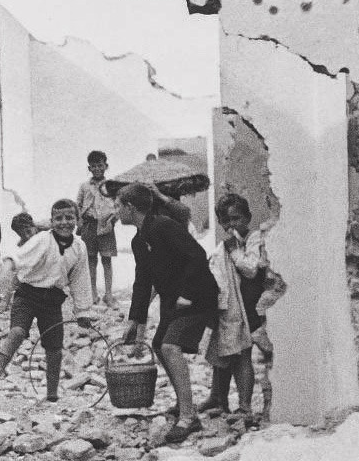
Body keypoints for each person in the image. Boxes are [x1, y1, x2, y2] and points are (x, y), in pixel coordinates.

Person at [116, 183, 219, 444]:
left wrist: (187, 294)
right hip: (173, 302)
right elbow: (142, 281)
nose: (116, 211)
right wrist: (134, 320)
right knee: (159, 346)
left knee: (170, 346)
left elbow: (197, 255)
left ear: (130, 207)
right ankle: (181, 403)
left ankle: (188, 417)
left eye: (118, 205)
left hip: (196, 298)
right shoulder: (139, 240)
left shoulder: (164, 225)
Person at [0, 200, 95, 401]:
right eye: (58, 218)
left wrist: (83, 311)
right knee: (17, 332)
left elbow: (80, 279)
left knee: (54, 347)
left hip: (53, 301)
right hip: (27, 295)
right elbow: (19, 257)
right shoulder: (43, 239)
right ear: (51, 221)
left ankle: (52, 393)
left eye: (69, 218)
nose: (64, 223)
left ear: (77, 220)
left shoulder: (79, 247)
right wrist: (6, 267)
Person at [200, 194, 272, 421]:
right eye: (226, 221)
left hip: (249, 308)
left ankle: (244, 406)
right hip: (230, 308)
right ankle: (219, 401)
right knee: (223, 351)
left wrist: (234, 251)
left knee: (242, 354)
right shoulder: (225, 246)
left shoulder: (253, 239)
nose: (232, 225)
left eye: (236, 219)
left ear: (248, 218)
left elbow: (251, 269)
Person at [75, 150, 119, 307]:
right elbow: (77, 206)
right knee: (91, 260)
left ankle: (108, 295)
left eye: (100, 165)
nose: (97, 169)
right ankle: (93, 293)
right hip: (89, 225)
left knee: (106, 260)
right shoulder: (84, 186)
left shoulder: (111, 185)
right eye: (93, 166)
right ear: (89, 168)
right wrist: (79, 222)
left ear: (106, 166)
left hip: (106, 226)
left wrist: (113, 220)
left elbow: (118, 205)